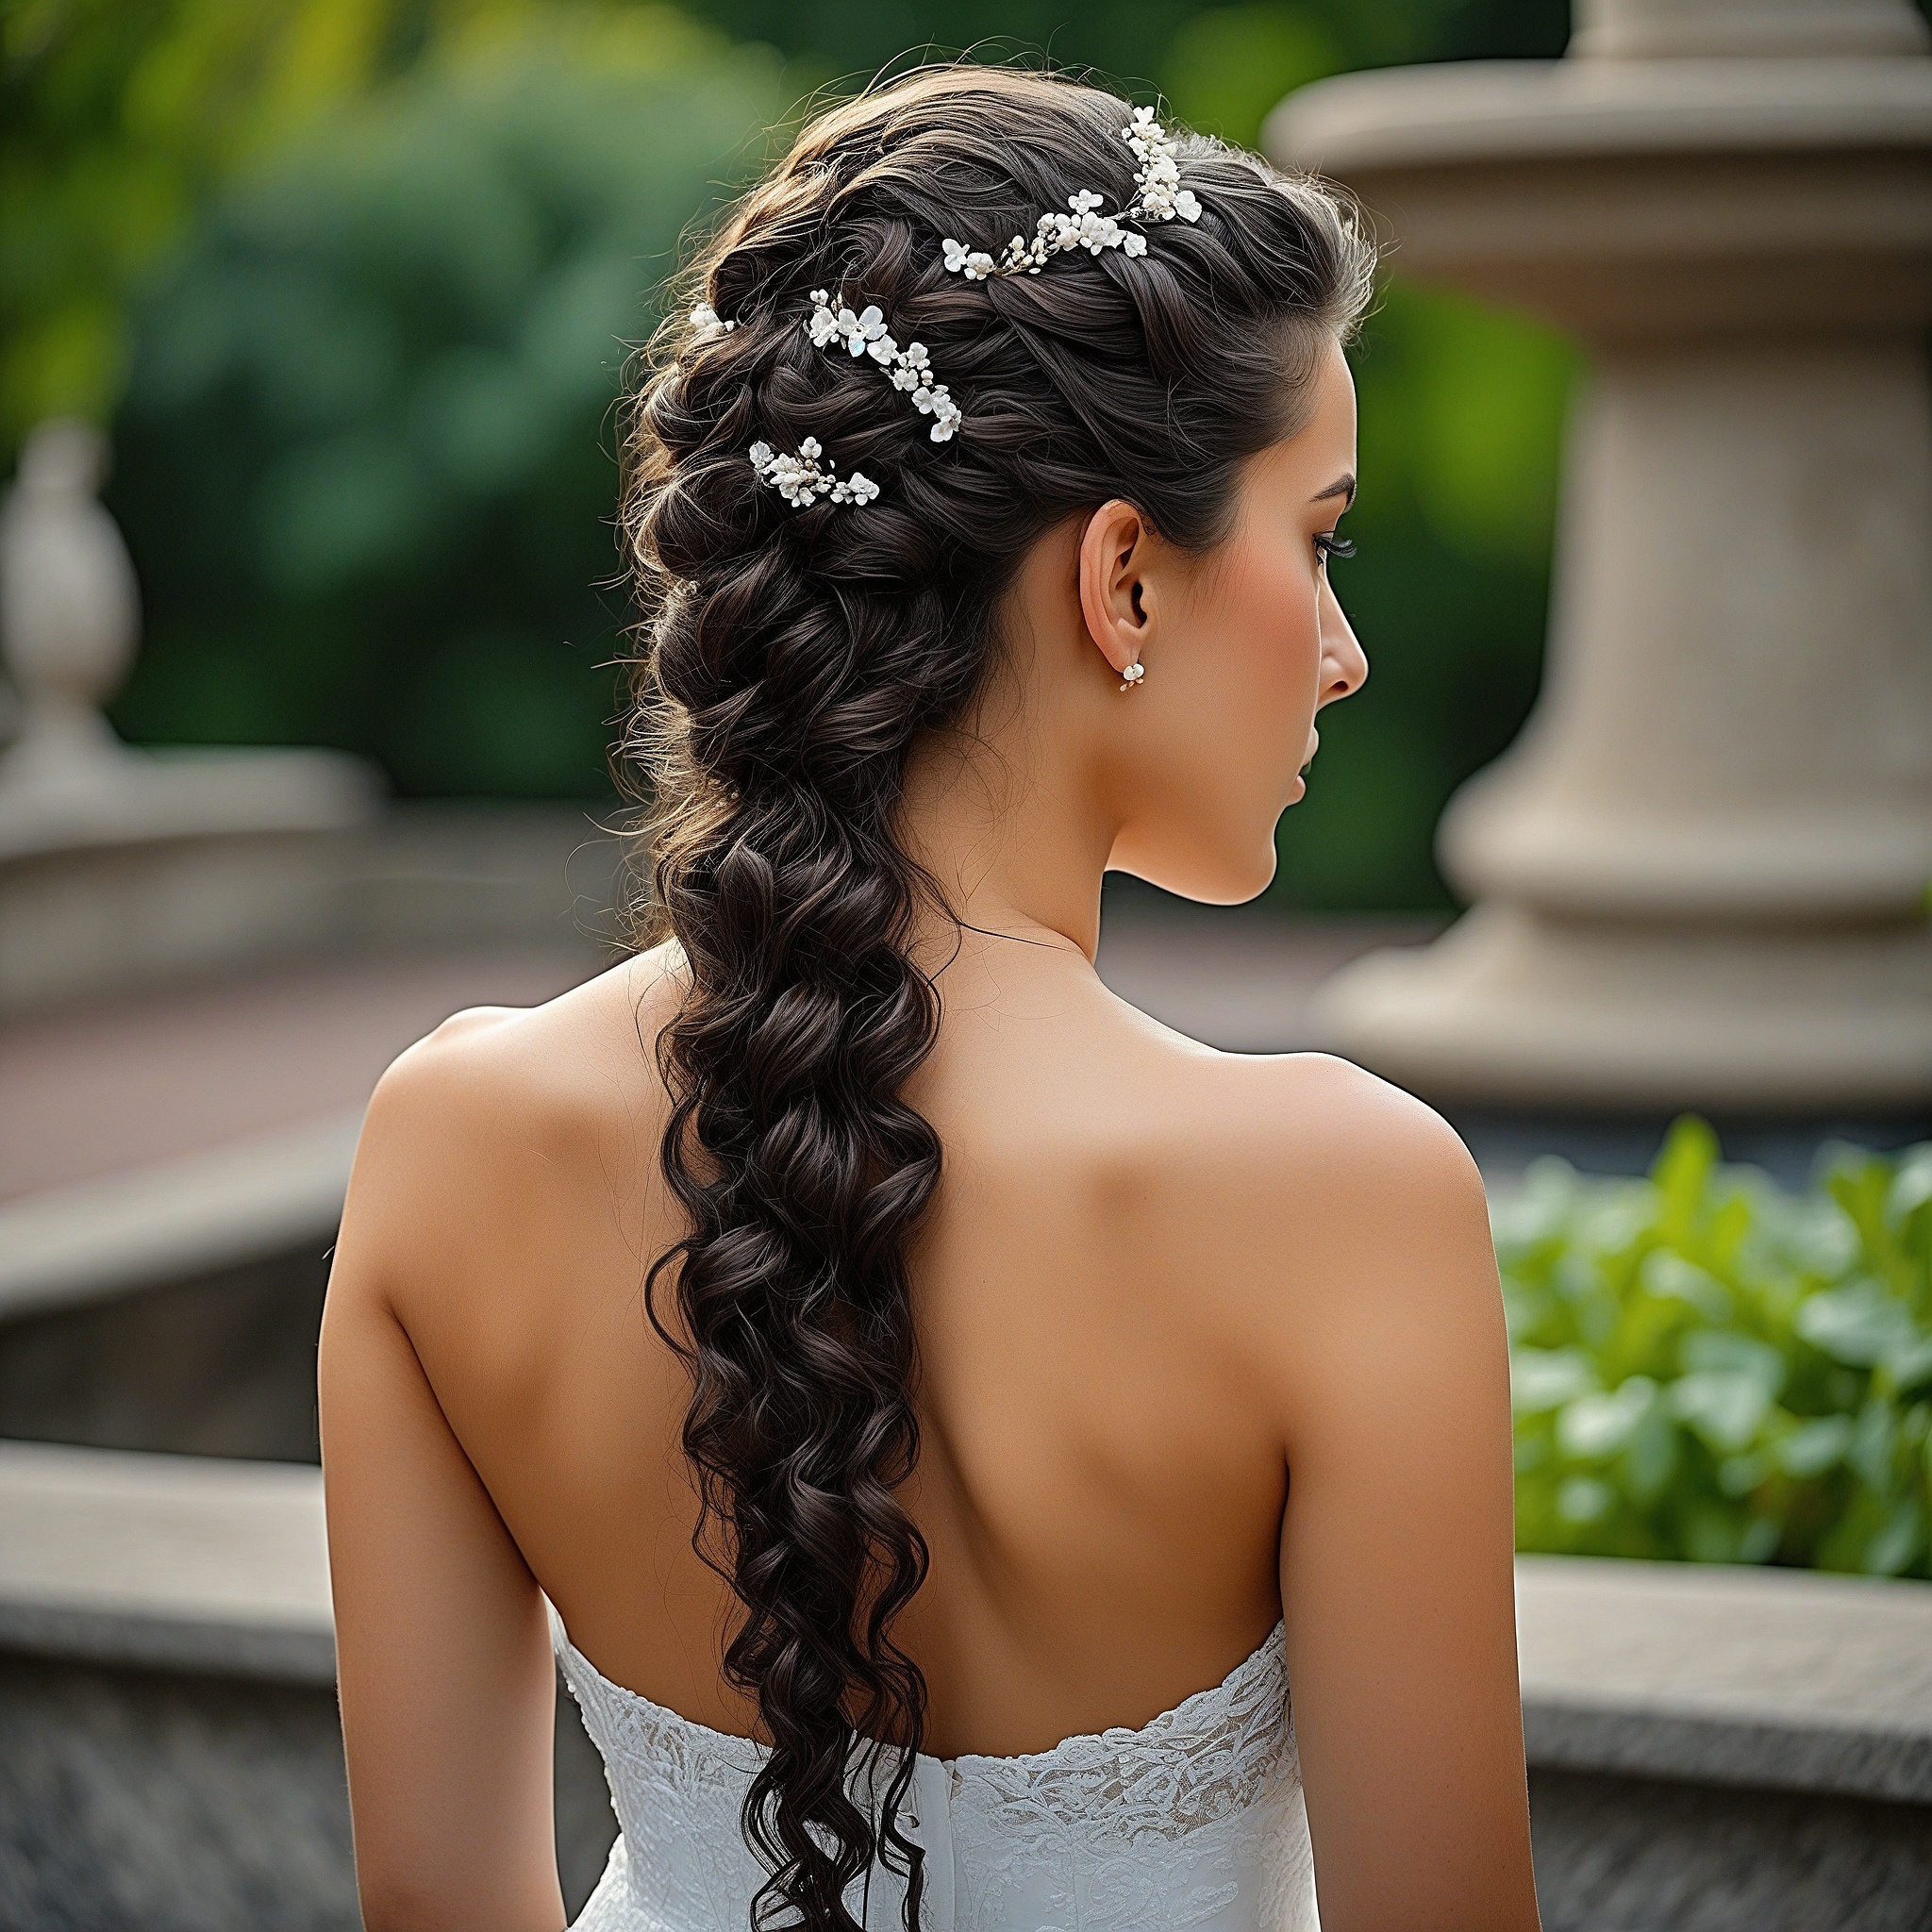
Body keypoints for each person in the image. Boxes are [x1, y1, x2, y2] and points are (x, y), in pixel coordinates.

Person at [320, 63, 1541, 1932]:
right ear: (1122, 579)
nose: (1344, 647)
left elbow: (430, 1895)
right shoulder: (1345, 1205)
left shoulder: (447, 1142)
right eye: (1320, 536)